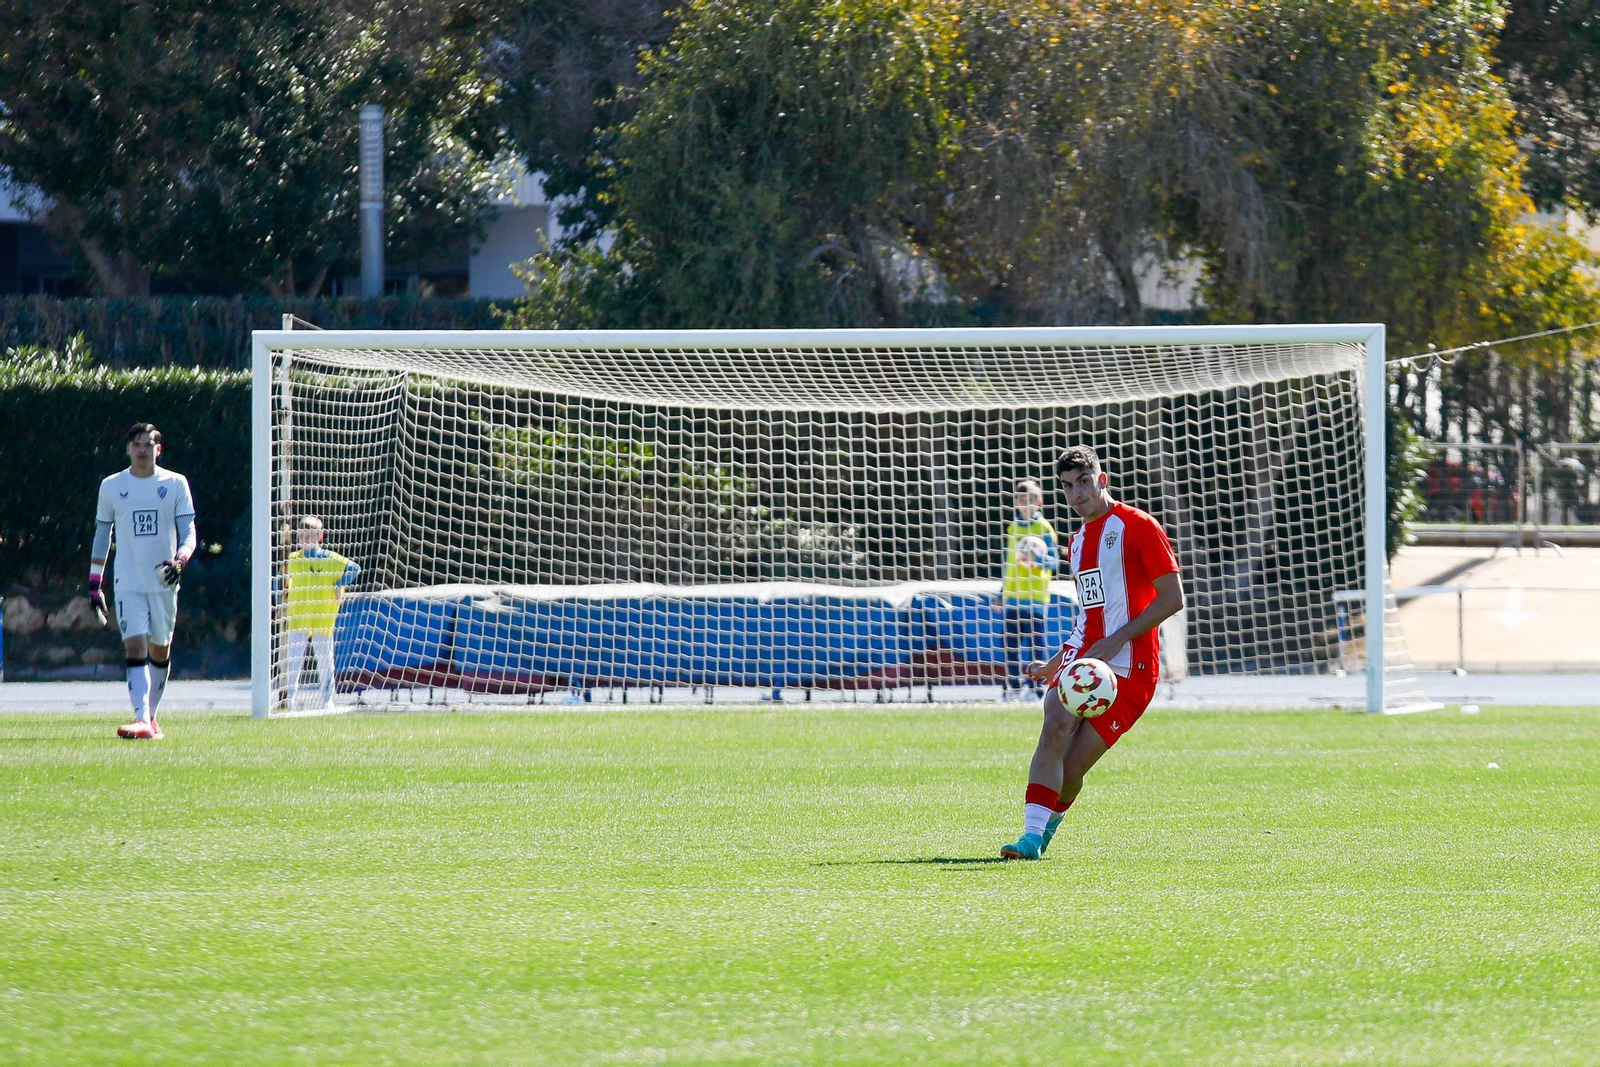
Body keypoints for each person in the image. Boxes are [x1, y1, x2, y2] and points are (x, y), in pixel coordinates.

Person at [1000, 446, 1183, 860]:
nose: (1077, 493)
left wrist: (1119, 639)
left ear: (1102, 479)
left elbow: (1172, 598)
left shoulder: (1138, 526)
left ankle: (1046, 829)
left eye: (1084, 481)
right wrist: (1055, 663)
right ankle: (1029, 837)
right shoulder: (1078, 543)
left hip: (1132, 671)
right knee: (1054, 727)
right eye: (1068, 486)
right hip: (1085, 663)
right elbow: (1088, 616)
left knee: (1074, 767)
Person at [91, 423, 197, 740]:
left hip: (164, 580)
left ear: (158, 449)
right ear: (128, 449)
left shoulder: (176, 483)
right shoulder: (111, 486)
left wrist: (180, 559)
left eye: (148, 444)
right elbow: (101, 535)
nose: (141, 450)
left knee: (160, 648)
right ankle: (140, 719)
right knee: (134, 643)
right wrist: (94, 582)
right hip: (128, 580)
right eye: (136, 444)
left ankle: (151, 716)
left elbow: (189, 531)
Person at [281, 516, 360, 709]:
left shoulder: (332, 559)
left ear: (320, 536)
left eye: (310, 536)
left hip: (323, 617)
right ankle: (289, 699)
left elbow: (355, 569)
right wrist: (279, 606)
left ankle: (327, 700)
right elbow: (281, 583)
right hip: (299, 616)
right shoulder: (293, 560)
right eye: (302, 536)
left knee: (325, 661)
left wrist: (339, 585)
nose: (306, 540)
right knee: (293, 661)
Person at [996, 479, 1059, 701]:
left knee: (1036, 646)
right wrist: (1001, 595)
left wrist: (1038, 558)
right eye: (1021, 499)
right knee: (1009, 645)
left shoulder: (1044, 528)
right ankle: (1014, 688)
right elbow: (1008, 564)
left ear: (1039, 502)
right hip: (1013, 597)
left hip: (1035, 599)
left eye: (1030, 500)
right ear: (1015, 502)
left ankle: (1037, 690)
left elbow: (1055, 562)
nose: (1025, 503)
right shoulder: (1012, 528)